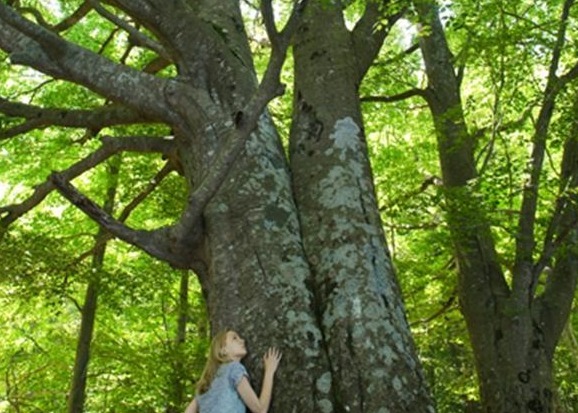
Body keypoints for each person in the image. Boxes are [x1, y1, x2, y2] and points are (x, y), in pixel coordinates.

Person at [184, 330, 282, 413]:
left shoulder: (206, 382)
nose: (242, 340)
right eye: (234, 338)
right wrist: (269, 371)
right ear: (223, 350)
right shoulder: (234, 369)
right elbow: (260, 410)